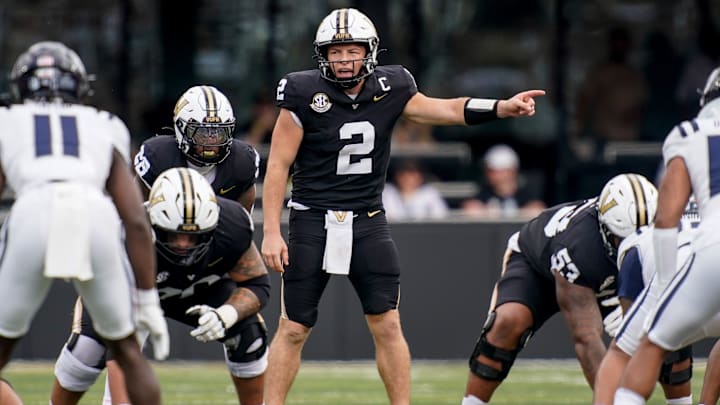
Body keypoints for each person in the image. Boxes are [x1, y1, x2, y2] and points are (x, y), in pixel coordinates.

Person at [260, 7, 545, 405]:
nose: (343, 60)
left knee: (388, 324)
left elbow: (446, 109)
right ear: (322, 55)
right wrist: (272, 231)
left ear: (370, 52)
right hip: (312, 219)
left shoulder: (391, 86)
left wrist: (502, 106)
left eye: (352, 51)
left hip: (368, 219)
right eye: (335, 52)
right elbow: (277, 166)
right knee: (293, 327)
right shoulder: (303, 92)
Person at [0, 41, 168, 404]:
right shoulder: (104, 124)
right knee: (126, 351)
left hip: (33, 209)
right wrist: (147, 298)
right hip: (94, 213)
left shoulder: (7, 120)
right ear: (79, 84)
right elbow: (136, 220)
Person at [50, 167, 270, 405]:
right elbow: (120, 344)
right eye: (173, 235)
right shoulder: (123, 237)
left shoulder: (231, 224)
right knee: (87, 349)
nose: (183, 244)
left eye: (194, 236)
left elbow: (256, 283)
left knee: (249, 334)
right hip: (133, 292)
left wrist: (226, 315)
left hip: (199, 287)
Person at [461, 173, 658, 405]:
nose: (631, 247)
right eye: (622, 239)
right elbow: (586, 338)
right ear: (605, 228)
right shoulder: (578, 245)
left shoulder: (663, 236)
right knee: (508, 321)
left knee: (663, 330)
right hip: (538, 267)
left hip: (608, 276)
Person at [613, 68, 720, 405]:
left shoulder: (689, 133)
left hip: (712, 248)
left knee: (649, 344)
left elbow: (667, 216)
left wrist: (664, 280)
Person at [592, 202, 699, 405]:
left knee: (622, 352)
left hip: (676, 276)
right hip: (708, 257)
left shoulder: (635, 245)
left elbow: (630, 349)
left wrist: (628, 321)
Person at [133, 85, 260, 212]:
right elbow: (137, 216)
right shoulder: (158, 157)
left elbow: (240, 223)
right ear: (181, 129)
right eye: (203, 132)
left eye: (218, 132)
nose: (211, 140)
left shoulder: (242, 162)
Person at [461, 144, 545, 218]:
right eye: (490, 171)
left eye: (498, 171)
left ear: (512, 171)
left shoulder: (525, 195)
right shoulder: (484, 193)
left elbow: (537, 209)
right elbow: (471, 207)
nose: (493, 176)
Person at [382, 159, 448, 220]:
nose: (408, 178)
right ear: (398, 176)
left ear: (420, 176)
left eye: (413, 173)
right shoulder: (388, 192)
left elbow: (440, 217)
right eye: (404, 173)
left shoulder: (430, 193)